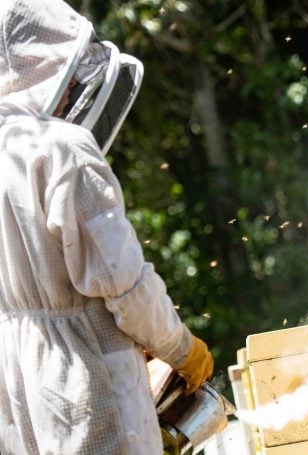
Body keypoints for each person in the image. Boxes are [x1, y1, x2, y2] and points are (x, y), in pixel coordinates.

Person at [0, 1, 213, 453]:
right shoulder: (61, 148)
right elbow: (124, 283)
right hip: (87, 378)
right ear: (44, 65)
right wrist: (179, 347)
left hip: (17, 381)